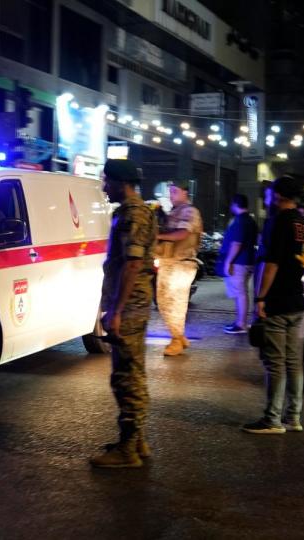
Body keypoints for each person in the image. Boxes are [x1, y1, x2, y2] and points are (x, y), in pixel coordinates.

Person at [90, 159, 157, 469]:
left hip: (129, 304)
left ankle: (128, 448)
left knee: (126, 376)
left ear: (120, 182)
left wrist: (116, 310)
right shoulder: (138, 212)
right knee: (133, 371)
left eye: (107, 181)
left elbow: (132, 264)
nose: (104, 187)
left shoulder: (133, 214)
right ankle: (136, 440)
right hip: (134, 302)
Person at [243, 176, 304, 434]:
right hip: (297, 298)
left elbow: (271, 264)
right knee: (293, 361)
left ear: (279, 195)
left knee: (275, 362)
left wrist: (261, 298)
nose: (269, 196)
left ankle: (272, 419)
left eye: (271, 192)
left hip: (278, 299)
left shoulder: (278, 222)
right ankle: (293, 417)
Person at [155, 182, 203, 356]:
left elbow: (182, 233)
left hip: (182, 263)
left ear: (185, 192)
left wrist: (159, 235)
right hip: (168, 261)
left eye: (175, 191)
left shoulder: (190, 211)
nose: (171, 195)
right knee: (163, 301)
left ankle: (176, 340)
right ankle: (179, 336)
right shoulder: (175, 212)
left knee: (175, 303)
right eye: (170, 192)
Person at [218, 194, 257, 334]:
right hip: (248, 261)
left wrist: (228, 261)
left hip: (239, 262)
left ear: (235, 204)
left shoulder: (239, 221)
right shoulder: (251, 221)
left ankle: (241, 324)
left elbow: (237, 243)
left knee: (240, 293)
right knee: (242, 292)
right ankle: (241, 322)